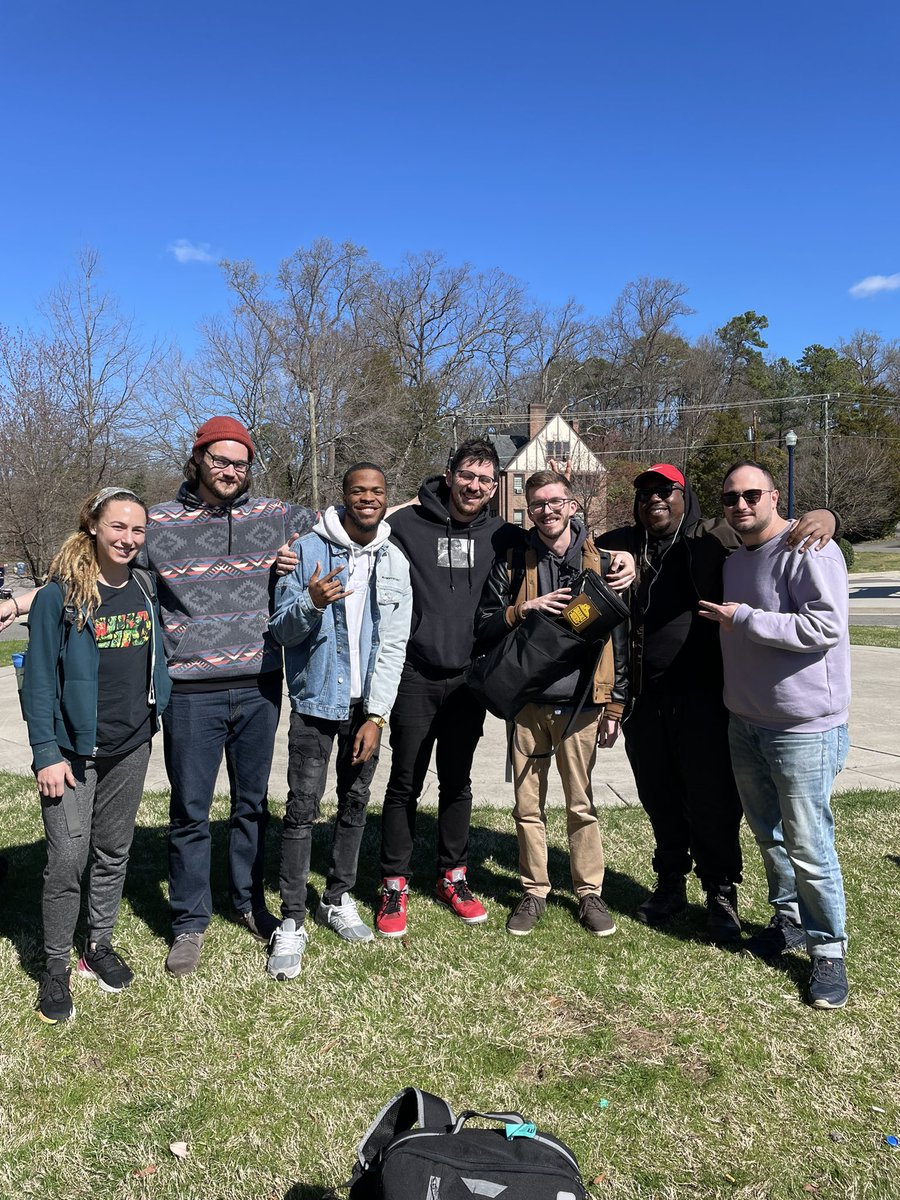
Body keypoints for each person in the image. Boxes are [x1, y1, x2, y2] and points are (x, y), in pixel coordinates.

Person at [596, 465, 837, 941]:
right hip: (646, 699)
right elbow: (573, 537)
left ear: (685, 497)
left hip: (707, 697)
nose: (654, 499)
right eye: (645, 493)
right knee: (659, 797)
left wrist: (830, 517)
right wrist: (612, 554)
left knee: (713, 802)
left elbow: (774, 526)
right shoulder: (625, 542)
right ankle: (669, 884)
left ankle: (720, 893)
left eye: (665, 491)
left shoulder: (715, 536)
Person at [148, 417, 316, 976]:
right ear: (197, 459)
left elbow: (357, 517)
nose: (229, 471)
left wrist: (440, 492)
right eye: (219, 460)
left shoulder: (277, 516)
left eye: (240, 463)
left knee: (251, 805)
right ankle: (189, 921)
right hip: (190, 692)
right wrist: (20, 605)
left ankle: (247, 902)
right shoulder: (157, 523)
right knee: (190, 809)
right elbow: (100, 555)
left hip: (259, 685)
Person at [699, 462, 851, 1009]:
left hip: (802, 727)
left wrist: (746, 618)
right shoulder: (735, 558)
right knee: (770, 836)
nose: (740, 505)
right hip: (745, 722)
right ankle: (789, 923)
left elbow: (826, 626)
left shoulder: (810, 547)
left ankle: (828, 951)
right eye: (730, 497)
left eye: (751, 494)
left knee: (809, 844)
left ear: (774, 496)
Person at [21, 487, 172, 1023]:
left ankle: (97, 945)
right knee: (67, 858)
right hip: (71, 753)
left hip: (130, 745)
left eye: (138, 529)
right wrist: (45, 752)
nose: (128, 538)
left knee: (113, 851)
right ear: (93, 525)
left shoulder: (145, 588)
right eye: (118, 526)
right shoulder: (58, 597)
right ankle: (55, 966)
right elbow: (39, 679)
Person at [265, 464, 412, 978]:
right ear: (343, 496)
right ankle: (291, 918)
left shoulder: (394, 560)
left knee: (354, 803)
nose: (368, 498)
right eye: (358, 491)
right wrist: (310, 602)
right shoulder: (307, 551)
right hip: (315, 703)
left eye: (377, 491)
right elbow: (280, 631)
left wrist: (377, 715)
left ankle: (337, 896)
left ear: (385, 498)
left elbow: (394, 643)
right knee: (301, 808)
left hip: (364, 709)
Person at [475, 471, 630, 937]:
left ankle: (589, 893)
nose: (547, 510)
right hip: (528, 704)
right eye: (538, 503)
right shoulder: (513, 563)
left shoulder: (604, 562)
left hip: (582, 705)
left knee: (581, 804)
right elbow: (484, 625)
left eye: (555, 501)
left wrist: (615, 704)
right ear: (529, 510)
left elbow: (621, 638)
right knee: (528, 806)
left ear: (572, 505)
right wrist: (523, 609)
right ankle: (534, 891)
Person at [373, 439, 518, 937]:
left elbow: (557, 536)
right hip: (415, 675)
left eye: (485, 479)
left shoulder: (503, 534)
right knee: (405, 782)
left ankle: (452, 876)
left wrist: (614, 554)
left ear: (494, 486)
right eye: (467, 475)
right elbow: (355, 524)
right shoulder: (406, 525)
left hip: (467, 680)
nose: (474, 486)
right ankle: (394, 883)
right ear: (450, 474)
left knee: (457, 782)